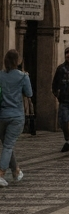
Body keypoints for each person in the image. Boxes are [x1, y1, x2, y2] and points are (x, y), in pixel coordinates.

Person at [0, 50, 32, 187]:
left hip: (2, 115)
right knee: (8, 146)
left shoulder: (0, 75)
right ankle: (1, 173)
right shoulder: (23, 76)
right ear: (18, 61)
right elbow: (29, 93)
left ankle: (16, 171)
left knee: (7, 145)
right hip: (16, 115)